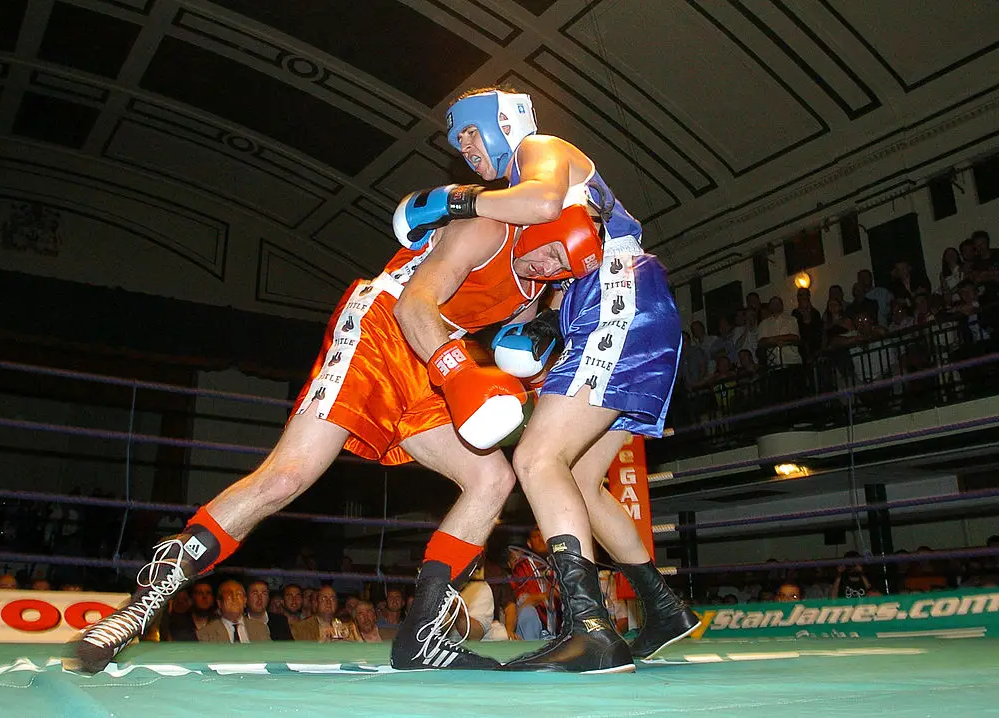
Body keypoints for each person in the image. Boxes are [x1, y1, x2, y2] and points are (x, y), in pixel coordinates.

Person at [76, 210, 548, 673]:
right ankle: (140, 605)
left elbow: (518, 351)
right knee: (287, 477)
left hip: (436, 355)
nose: (548, 265)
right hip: (386, 325)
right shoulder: (488, 226)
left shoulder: (539, 286)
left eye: (560, 266)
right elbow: (413, 305)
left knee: (493, 478)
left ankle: (421, 636)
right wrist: (460, 373)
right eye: (550, 250)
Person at [394, 85, 698, 673]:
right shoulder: (517, 203)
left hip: (618, 296)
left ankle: (590, 630)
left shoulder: (542, 147)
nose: (466, 148)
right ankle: (662, 607)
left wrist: (458, 201)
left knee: (534, 459)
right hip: (611, 305)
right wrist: (531, 322)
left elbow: (539, 202)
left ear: (501, 121)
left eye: (471, 133)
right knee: (578, 481)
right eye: (458, 143)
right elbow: (548, 247)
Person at [197, 579, 269, 643]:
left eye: (238, 594)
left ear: (245, 601)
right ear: (219, 603)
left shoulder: (261, 629)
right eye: (229, 594)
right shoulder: (205, 634)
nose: (234, 597)